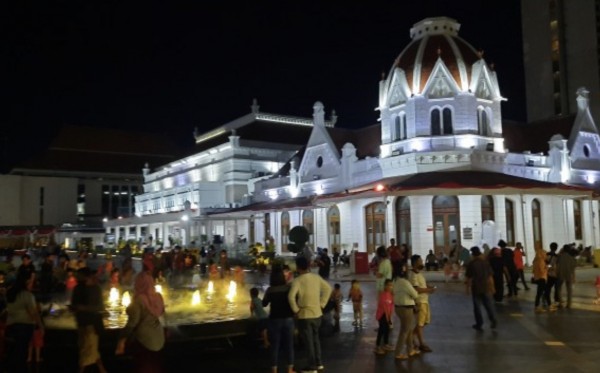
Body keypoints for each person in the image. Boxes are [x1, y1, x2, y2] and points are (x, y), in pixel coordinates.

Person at [288, 256, 332, 373]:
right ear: (308, 266)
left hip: (305, 315)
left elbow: (291, 297)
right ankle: (319, 363)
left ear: (298, 267)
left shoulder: (297, 280)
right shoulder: (316, 277)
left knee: (309, 341)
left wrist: (296, 310)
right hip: (317, 313)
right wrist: (322, 304)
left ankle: (311, 366)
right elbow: (328, 288)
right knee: (316, 339)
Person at [116, 272, 166, 373]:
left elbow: (132, 323)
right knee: (155, 365)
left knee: (143, 366)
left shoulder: (139, 300)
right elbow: (162, 314)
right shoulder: (158, 297)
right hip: (159, 338)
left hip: (144, 340)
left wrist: (121, 340)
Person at [5, 270, 43, 372]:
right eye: (31, 281)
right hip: (24, 327)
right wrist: (41, 326)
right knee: (21, 353)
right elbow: (34, 313)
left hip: (11, 325)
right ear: (26, 282)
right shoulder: (27, 295)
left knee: (13, 352)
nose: (32, 283)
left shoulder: (10, 292)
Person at [71, 267, 107, 373]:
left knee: (86, 349)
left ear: (86, 276)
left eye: (79, 275)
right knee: (90, 348)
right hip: (82, 323)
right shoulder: (78, 288)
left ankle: (81, 370)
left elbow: (99, 307)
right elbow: (75, 303)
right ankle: (102, 369)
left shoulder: (95, 289)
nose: (77, 277)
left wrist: (82, 308)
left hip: (91, 323)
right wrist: (74, 307)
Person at [262, 267, 295, 373]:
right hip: (288, 319)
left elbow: (264, 303)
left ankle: (274, 370)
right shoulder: (288, 288)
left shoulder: (270, 290)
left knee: (275, 346)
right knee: (289, 345)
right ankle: (290, 369)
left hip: (275, 319)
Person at [465, 246, 497, 331]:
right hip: (486, 287)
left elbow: (468, 277)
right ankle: (493, 320)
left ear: (473, 254)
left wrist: (467, 288)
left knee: (477, 307)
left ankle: (479, 324)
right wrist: (492, 287)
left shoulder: (472, 264)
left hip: (476, 287)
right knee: (488, 305)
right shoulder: (486, 263)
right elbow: (490, 276)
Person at [392, 265, 420, 360]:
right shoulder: (404, 282)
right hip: (406, 308)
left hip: (398, 308)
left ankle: (410, 350)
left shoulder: (395, 281)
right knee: (404, 331)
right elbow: (415, 294)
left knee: (408, 329)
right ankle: (398, 353)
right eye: (406, 270)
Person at [409, 254, 435, 353]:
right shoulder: (413, 275)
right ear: (415, 263)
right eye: (420, 261)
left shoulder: (419, 274)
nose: (422, 262)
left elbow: (422, 285)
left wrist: (428, 287)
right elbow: (416, 289)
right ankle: (421, 343)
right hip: (420, 302)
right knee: (420, 323)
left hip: (425, 301)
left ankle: (411, 336)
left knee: (424, 322)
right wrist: (428, 290)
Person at [374, 279, 394, 355]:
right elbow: (384, 306)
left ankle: (386, 344)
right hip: (382, 315)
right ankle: (377, 346)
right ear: (385, 286)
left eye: (391, 285)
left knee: (387, 330)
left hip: (388, 315)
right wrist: (388, 317)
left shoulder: (391, 295)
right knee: (381, 330)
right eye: (389, 285)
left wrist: (390, 316)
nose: (390, 287)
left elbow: (391, 305)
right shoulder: (382, 294)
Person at [556, 244, 577, 308]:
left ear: (563, 249)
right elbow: (573, 269)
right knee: (569, 290)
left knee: (558, 288)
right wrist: (574, 277)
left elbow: (556, 265)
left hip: (560, 274)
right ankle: (569, 304)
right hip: (569, 275)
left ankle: (560, 303)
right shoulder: (572, 258)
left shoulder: (559, 257)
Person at [532, 244, 551, 313]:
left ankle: (549, 305)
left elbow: (534, 270)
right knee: (540, 293)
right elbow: (542, 271)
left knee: (544, 292)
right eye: (544, 253)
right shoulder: (541, 261)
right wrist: (547, 267)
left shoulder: (536, 260)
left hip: (538, 278)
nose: (545, 255)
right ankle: (537, 307)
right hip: (542, 278)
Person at [545, 242, 560, 309]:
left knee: (548, 288)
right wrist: (551, 267)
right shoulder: (556, 256)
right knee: (556, 289)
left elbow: (545, 264)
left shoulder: (546, 255)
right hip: (554, 275)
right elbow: (554, 265)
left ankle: (547, 301)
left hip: (548, 274)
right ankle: (555, 301)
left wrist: (548, 267)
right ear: (556, 248)